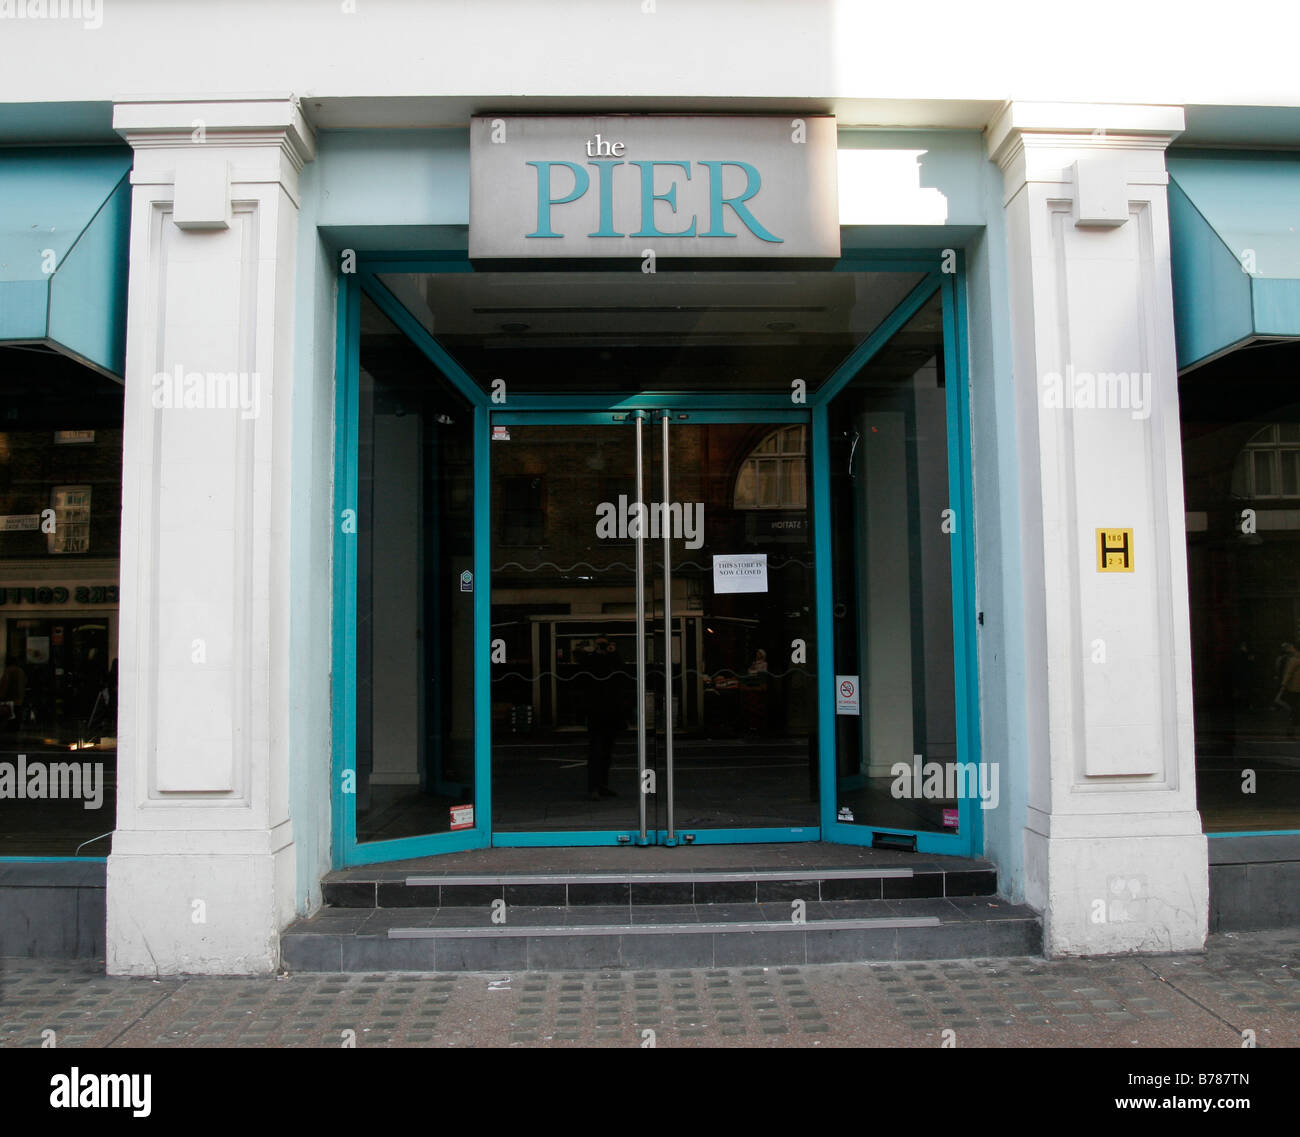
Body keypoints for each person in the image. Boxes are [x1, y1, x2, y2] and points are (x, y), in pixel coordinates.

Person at [578, 634, 626, 800]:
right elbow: (585, 670)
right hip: (597, 711)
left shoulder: (613, 660)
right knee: (596, 751)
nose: (603, 648)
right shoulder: (591, 660)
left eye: (605, 645)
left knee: (606, 752)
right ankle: (594, 787)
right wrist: (594, 653)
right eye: (601, 645)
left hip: (610, 711)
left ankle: (602, 785)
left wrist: (612, 653)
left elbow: (622, 672)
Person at [1276, 643, 1300, 737]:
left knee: (1291, 706)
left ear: (1294, 648)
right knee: (1295, 706)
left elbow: (1288, 673)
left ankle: (1291, 728)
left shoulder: (1294, 659)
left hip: (1293, 687)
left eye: (1290, 647)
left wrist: (1283, 685)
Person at [0, 653, 26, 732]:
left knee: (10, 715)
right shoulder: (21, 671)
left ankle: (10, 728)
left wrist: (1, 696)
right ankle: (15, 728)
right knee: (17, 714)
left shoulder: (8, 671)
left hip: (10, 698)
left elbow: (4, 685)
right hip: (19, 698)